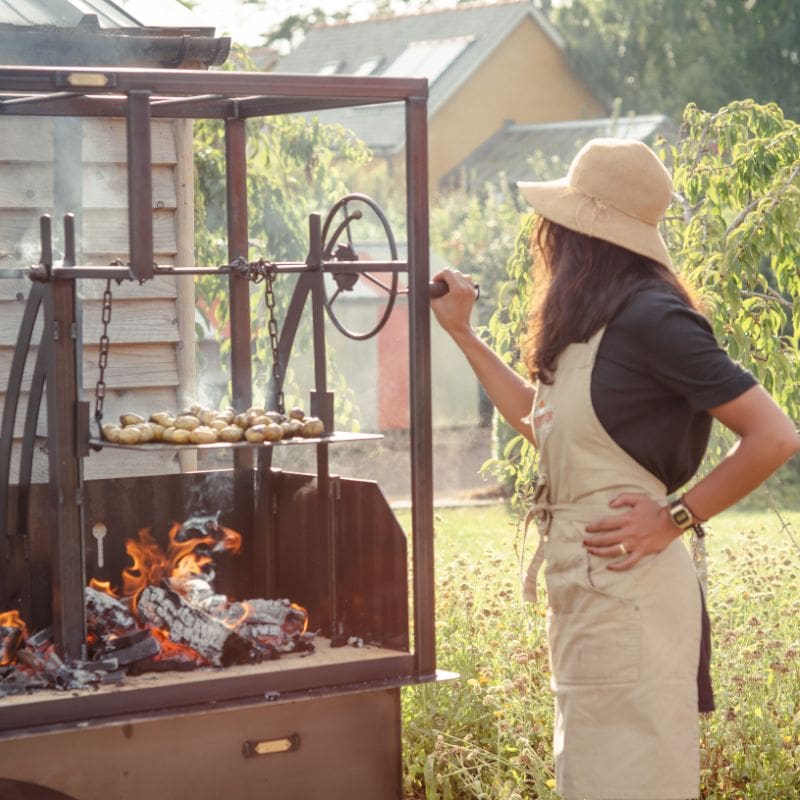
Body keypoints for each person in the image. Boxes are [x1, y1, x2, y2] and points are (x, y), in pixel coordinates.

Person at [430, 137, 800, 800]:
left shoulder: (654, 318)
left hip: (632, 597)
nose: (545, 237)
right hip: (591, 595)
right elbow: (538, 422)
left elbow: (774, 435)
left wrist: (675, 517)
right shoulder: (595, 327)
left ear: (583, 235)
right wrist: (462, 332)